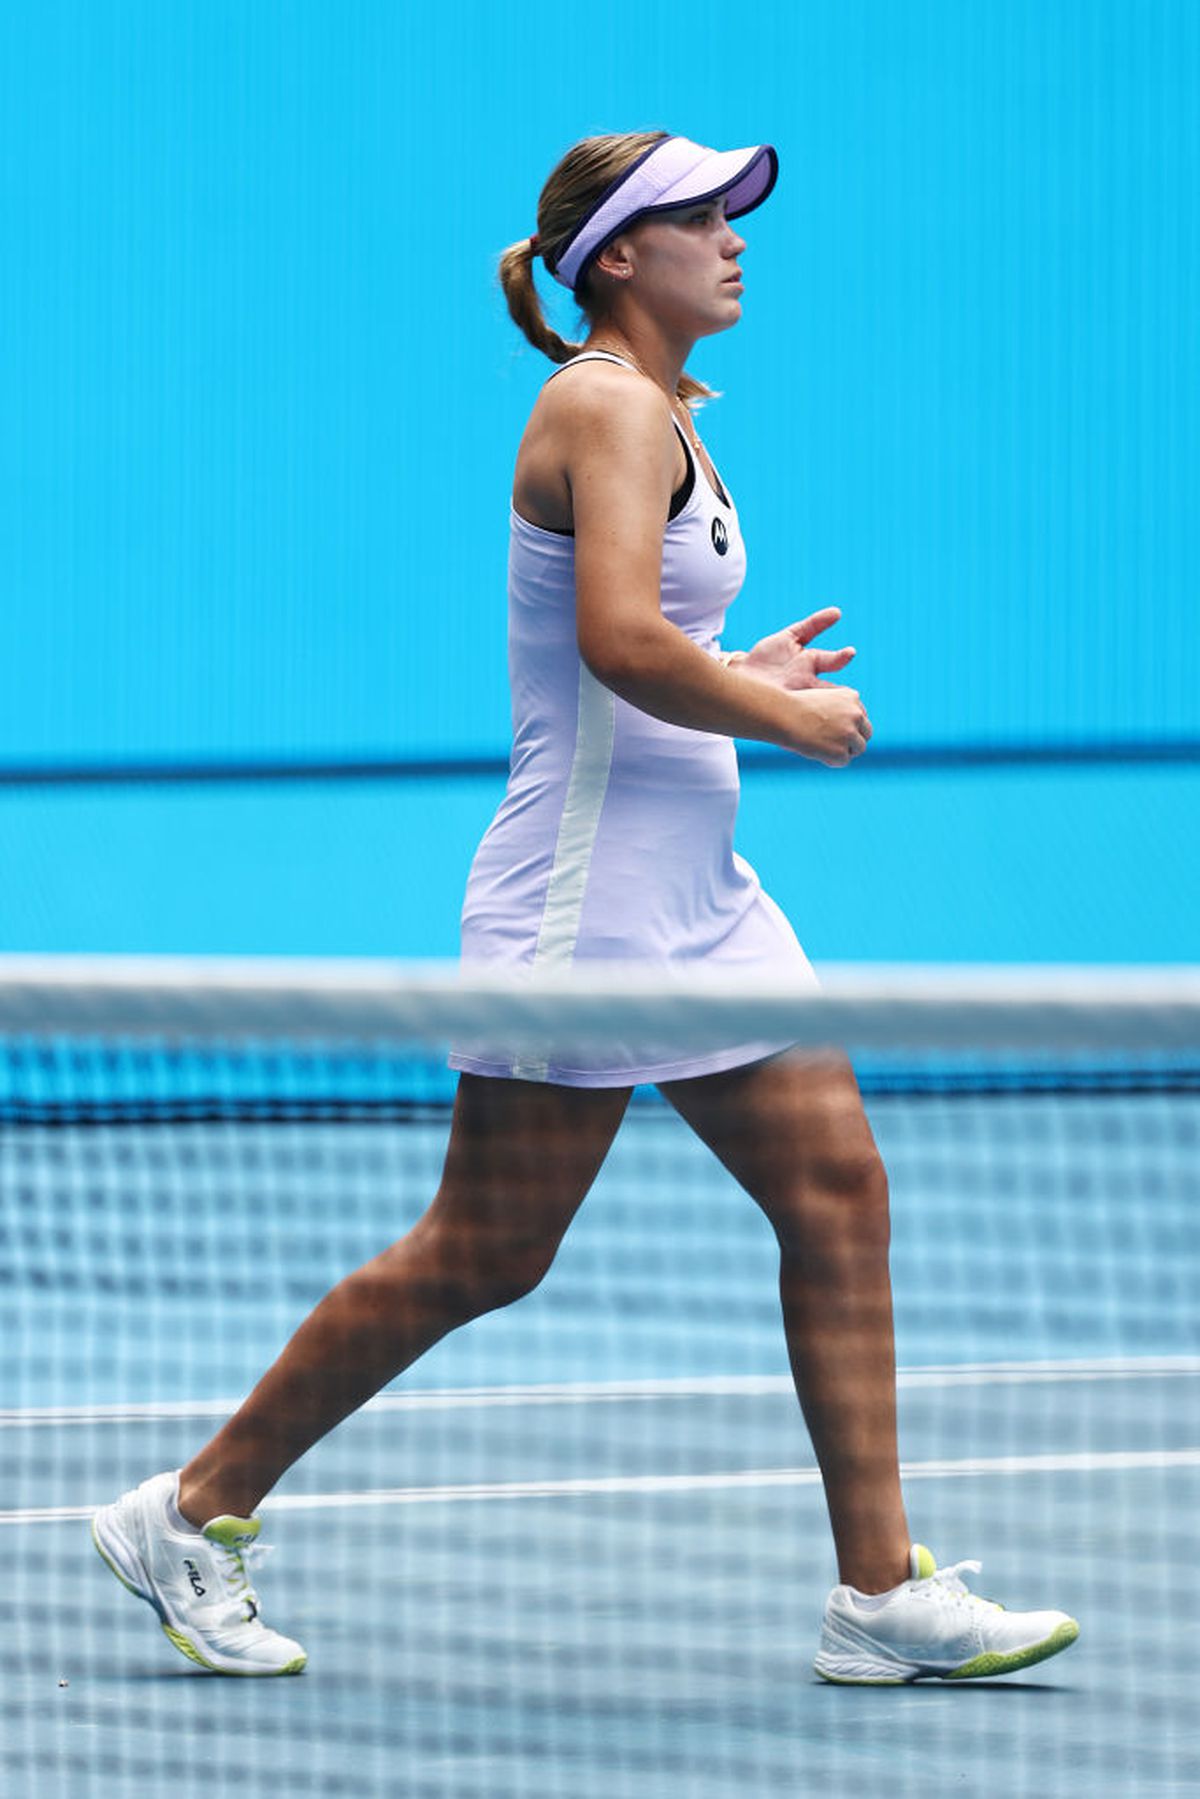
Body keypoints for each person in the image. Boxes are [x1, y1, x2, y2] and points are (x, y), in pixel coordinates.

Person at [92, 130, 1078, 1684]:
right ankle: (191, 1510)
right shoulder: (602, 408)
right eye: (700, 219)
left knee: (839, 1195)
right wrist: (782, 718)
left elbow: (628, 652)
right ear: (620, 254)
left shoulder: (663, 411)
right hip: (589, 909)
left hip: (704, 897)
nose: (734, 240)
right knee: (486, 1249)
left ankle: (878, 1596)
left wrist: (741, 674)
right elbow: (617, 642)